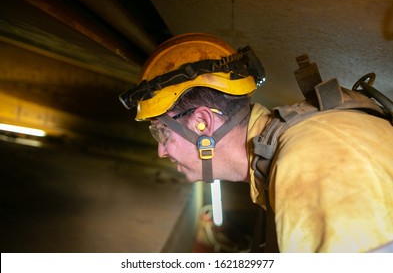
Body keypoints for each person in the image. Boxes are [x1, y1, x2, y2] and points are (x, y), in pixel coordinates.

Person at [119, 33, 393, 253]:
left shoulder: (313, 163)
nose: (161, 150)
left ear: (202, 123)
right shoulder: (277, 157)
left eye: (162, 133)